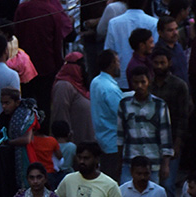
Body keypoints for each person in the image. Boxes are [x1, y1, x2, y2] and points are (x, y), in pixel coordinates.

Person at [116, 65, 173, 183]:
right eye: (136, 82)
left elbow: (165, 137)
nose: (139, 86)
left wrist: (166, 164)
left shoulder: (159, 105)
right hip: (130, 161)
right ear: (131, 83)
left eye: (143, 82)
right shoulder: (124, 104)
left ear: (149, 81)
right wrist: (119, 162)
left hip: (153, 162)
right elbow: (120, 136)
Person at [89, 49, 125, 178]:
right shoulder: (110, 88)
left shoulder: (96, 82)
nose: (120, 65)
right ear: (111, 64)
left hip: (102, 138)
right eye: (118, 62)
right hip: (113, 143)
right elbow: (122, 114)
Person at [51, 52, 95, 142]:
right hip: (74, 146)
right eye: (81, 65)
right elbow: (60, 115)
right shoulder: (63, 86)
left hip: (87, 144)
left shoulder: (80, 85)